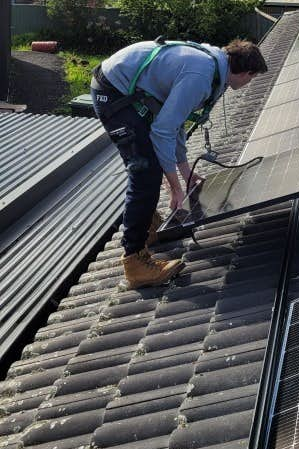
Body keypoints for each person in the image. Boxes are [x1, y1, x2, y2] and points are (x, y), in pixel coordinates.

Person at [91, 37, 268, 289]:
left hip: (127, 88)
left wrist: (185, 173)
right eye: (252, 78)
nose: (249, 83)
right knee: (145, 172)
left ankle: (147, 226)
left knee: (148, 165)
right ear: (245, 72)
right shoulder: (200, 74)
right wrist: (175, 186)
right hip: (112, 92)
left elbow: (175, 125)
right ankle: (135, 262)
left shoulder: (214, 65)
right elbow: (163, 131)